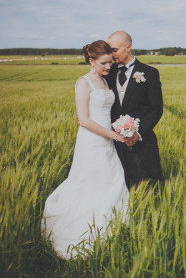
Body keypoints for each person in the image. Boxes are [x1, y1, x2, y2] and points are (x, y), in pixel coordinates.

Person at [42, 40, 129, 260]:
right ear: (91, 60)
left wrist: (121, 128)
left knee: (112, 180)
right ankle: (81, 229)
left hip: (107, 141)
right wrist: (113, 135)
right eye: (103, 63)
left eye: (110, 62)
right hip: (92, 142)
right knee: (90, 182)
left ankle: (110, 227)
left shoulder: (104, 80)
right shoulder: (84, 82)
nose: (108, 67)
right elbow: (84, 120)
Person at [106, 31, 163, 189]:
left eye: (114, 49)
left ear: (128, 47)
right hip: (112, 143)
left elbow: (156, 110)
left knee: (147, 188)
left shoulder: (150, 73)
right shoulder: (107, 73)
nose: (111, 54)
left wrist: (138, 133)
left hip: (141, 144)